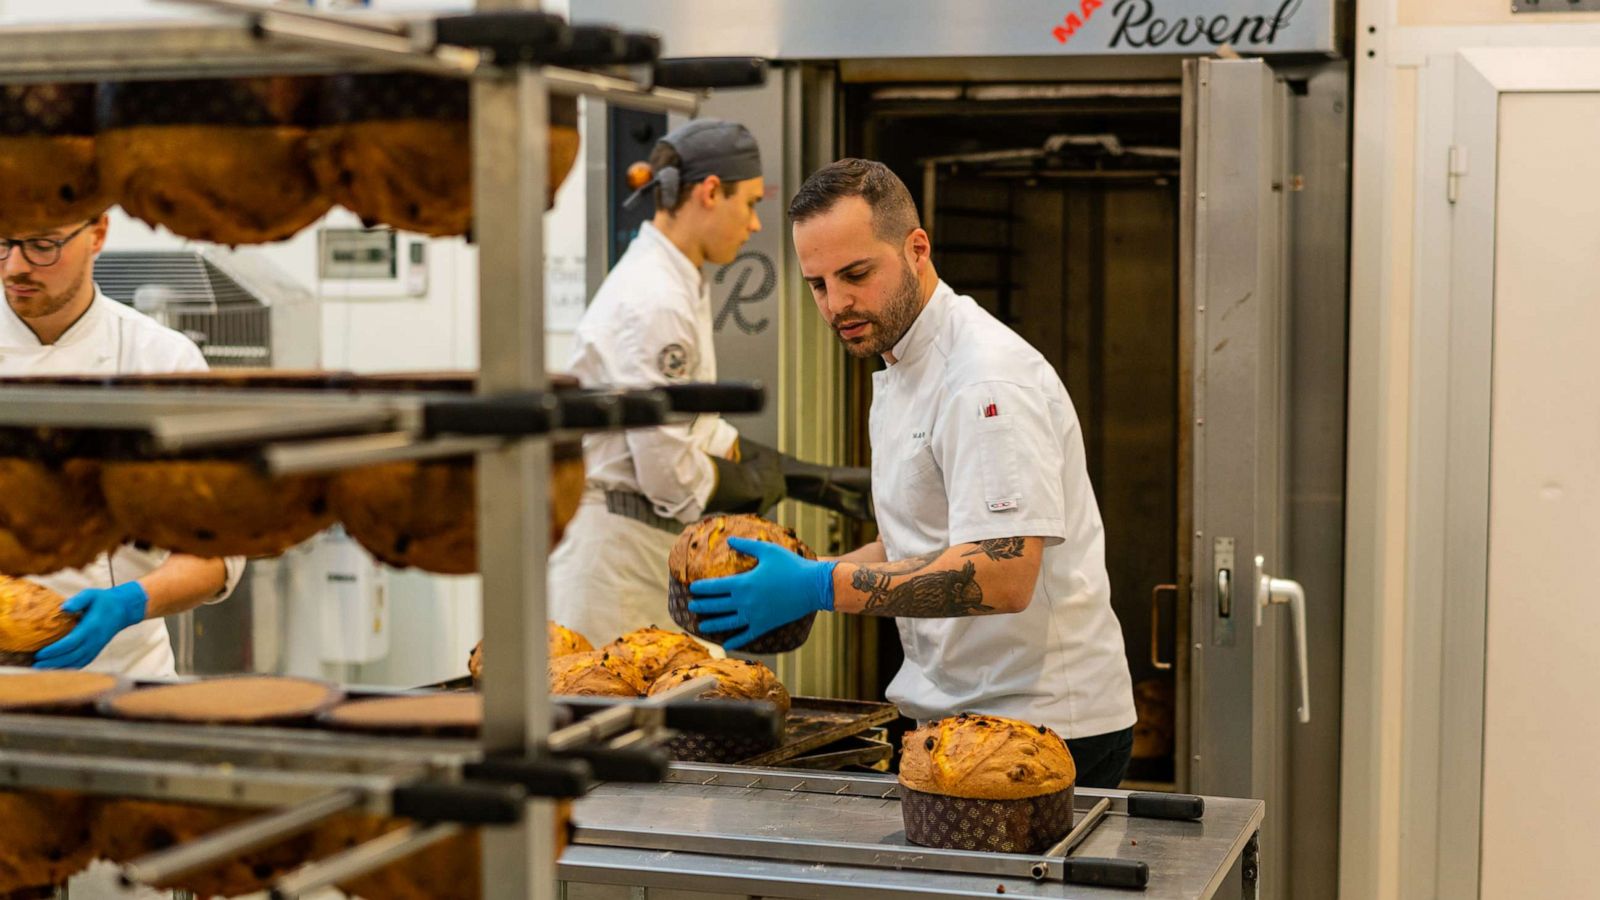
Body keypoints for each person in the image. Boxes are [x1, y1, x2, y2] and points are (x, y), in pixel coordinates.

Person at [687, 159, 1138, 787]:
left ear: (917, 249)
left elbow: (1004, 573)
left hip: (1044, 732)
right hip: (949, 719)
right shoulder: (903, 362)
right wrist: (799, 576)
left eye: (856, 274)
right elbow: (925, 543)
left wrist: (823, 585)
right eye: (817, 284)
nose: (837, 302)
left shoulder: (985, 378)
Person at [547, 118, 792, 644]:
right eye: (749, 204)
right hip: (617, 563)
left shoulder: (678, 280)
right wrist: (748, 487)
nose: (753, 225)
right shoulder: (652, 297)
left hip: (647, 546)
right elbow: (666, 472)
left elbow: (689, 424)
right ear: (709, 192)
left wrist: (802, 474)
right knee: (623, 713)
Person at [0, 213, 244, 676]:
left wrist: (131, 603)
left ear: (97, 233)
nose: (15, 268)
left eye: (42, 246)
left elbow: (215, 550)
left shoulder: (161, 361)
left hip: (124, 676)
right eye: (3, 242)